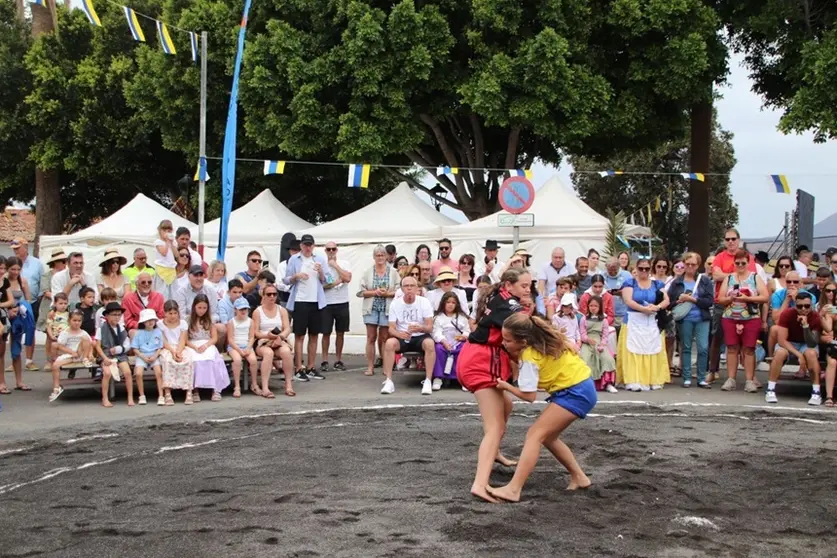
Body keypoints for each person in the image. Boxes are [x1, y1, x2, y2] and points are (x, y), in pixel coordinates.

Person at [485, 312, 595, 502]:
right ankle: (580, 477)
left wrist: (506, 385)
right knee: (548, 437)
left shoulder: (529, 356)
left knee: (534, 435)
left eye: (508, 340)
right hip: (581, 387)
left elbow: (529, 396)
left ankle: (513, 489)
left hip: (575, 392)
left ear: (524, 340)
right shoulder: (546, 341)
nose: (504, 343)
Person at [457, 268, 531, 503]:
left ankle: (495, 452)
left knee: (506, 406)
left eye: (530, 285)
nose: (528, 290)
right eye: (524, 286)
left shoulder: (499, 296)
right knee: (495, 426)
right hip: (481, 362)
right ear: (509, 285)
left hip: (482, 358)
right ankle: (480, 483)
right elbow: (528, 324)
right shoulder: (508, 304)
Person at [717, 248, 769, 392]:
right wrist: (730, 298)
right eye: (738, 263)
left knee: (749, 349)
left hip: (750, 318)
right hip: (730, 317)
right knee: (732, 348)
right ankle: (731, 379)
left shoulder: (755, 277)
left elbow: (765, 297)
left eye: (743, 263)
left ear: (748, 263)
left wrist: (748, 298)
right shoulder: (728, 278)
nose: (740, 266)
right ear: (734, 263)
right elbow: (720, 299)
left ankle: (749, 380)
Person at [709, 228, 756, 382]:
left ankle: (750, 376)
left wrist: (726, 275)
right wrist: (737, 275)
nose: (730, 242)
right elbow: (716, 275)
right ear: (724, 241)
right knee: (717, 337)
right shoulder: (719, 257)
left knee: (746, 342)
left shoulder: (748, 257)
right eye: (727, 239)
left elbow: (752, 278)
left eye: (733, 239)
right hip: (722, 303)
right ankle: (712, 371)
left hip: (744, 304)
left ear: (739, 240)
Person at [617, 258, 671, 391]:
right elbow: (628, 300)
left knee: (651, 348)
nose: (644, 271)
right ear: (636, 268)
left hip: (652, 321)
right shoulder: (630, 283)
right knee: (633, 349)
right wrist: (643, 309)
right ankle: (633, 378)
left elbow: (666, 300)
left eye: (647, 269)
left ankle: (653, 378)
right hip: (634, 320)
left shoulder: (657, 284)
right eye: (641, 268)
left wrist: (657, 307)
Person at [765, 291, 825, 405]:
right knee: (779, 353)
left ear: (811, 305)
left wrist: (806, 326)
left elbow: (813, 343)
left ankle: (816, 392)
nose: (803, 309)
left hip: (806, 344)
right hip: (790, 342)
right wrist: (799, 355)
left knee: (811, 354)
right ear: (795, 305)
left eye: (807, 306)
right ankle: (770, 389)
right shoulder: (787, 314)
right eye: (799, 306)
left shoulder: (815, 316)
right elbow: (782, 340)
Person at [380, 275, 436, 395]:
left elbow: (430, 327)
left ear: (417, 288)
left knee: (430, 344)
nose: (409, 288)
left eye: (412, 286)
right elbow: (391, 328)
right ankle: (389, 380)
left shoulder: (424, 302)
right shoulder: (395, 304)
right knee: (389, 343)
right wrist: (399, 334)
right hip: (402, 336)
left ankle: (428, 380)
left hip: (420, 335)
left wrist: (420, 327)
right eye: (406, 286)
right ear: (402, 289)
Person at [283, 234, 328, 380]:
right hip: (300, 300)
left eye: (310, 245)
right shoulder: (294, 259)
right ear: (301, 246)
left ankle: (311, 366)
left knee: (314, 335)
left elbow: (327, 280)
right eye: (305, 245)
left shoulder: (320, 259)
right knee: (299, 335)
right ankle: (298, 368)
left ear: (313, 246)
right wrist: (296, 276)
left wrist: (320, 271)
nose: (308, 248)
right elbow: (286, 279)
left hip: (316, 300)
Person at [667, 252, 714, 388]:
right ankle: (687, 377)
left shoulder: (704, 281)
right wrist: (678, 301)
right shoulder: (677, 282)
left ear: (698, 265)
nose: (690, 267)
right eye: (687, 264)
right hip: (684, 319)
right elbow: (669, 303)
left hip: (702, 318)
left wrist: (692, 299)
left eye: (693, 264)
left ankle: (701, 377)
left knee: (703, 348)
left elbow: (709, 301)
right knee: (685, 347)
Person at [358, 245, 400, 376]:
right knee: (371, 337)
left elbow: (399, 291)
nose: (380, 257)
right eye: (378, 255)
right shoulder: (367, 271)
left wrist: (388, 294)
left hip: (387, 308)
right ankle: (370, 367)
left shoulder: (393, 272)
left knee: (384, 338)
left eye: (382, 255)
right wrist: (375, 292)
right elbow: (360, 292)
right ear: (374, 257)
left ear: (386, 256)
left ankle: (385, 366)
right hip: (371, 308)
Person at [253, 283, 295, 397]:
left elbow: (287, 328)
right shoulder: (258, 311)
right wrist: (267, 335)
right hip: (263, 341)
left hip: (278, 339)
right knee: (268, 353)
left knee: (286, 352)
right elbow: (255, 332)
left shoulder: (282, 310)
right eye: (269, 294)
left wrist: (280, 337)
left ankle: (288, 384)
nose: (272, 297)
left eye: (274, 294)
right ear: (264, 295)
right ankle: (265, 387)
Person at [186, 294, 230, 402]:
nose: (202, 310)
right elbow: (185, 339)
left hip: (207, 343)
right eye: (199, 308)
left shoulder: (209, 319)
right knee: (195, 360)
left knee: (210, 359)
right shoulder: (187, 320)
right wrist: (194, 347)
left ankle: (215, 389)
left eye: (204, 308)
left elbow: (214, 338)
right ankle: (195, 389)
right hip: (193, 344)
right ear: (194, 307)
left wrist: (206, 345)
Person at [49, 310, 94, 402]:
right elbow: (60, 346)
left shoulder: (83, 333)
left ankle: (85, 359)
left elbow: (91, 344)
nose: (77, 323)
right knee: (55, 365)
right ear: (69, 321)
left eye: (79, 321)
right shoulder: (65, 333)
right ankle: (56, 388)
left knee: (85, 339)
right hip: (70, 355)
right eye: (74, 320)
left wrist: (90, 354)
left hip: (81, 355)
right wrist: (71, 352)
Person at [321, 241, 352, 372]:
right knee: (326, 332)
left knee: (341, 332)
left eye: (333, 249)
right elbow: (322, 285)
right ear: (325, 251)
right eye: (329, 249)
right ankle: (324, 360)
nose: (331, 252)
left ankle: (338, 359)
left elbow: (348, 278)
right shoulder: (321, 264)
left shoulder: (344, 263)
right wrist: (337, 282)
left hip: (342, 302)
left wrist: (335, 266)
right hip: (327, 302)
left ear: (337, 250)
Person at [94, 302, 132, 408]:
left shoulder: (121, 328)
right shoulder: (101, 328)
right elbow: (97, 346)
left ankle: (130, 397)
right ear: (106, 316)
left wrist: (120, 349)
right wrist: (105, 358)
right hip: (105, 354)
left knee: (127, 372)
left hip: (119, 354)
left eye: (119, 315)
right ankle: (105, 398)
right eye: (114, 314)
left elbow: (127, 344)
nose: (116, 317)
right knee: (107, 373)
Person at [431, 292, 470, 391]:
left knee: (464, 349)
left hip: (458, 343)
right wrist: (443, 341)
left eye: (453, 302)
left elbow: (467, 330)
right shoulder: (438, 318)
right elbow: (436, 332)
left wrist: (464, 336)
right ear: (443, 303)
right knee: (438, 349)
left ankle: (463, 379)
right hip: (444, 343)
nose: (450, 304)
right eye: (448, 302)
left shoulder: (462, 317)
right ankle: (438, 378)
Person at [37, 249, 68, 370]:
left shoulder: (66, 274)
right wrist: (58, 298)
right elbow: (46, 291)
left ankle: (61, 358)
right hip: (50, 305)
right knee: (50, 334)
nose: (64, 263)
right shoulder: (47, 275)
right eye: (62, 261)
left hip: (64, 305)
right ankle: (49, 360)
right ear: (55, 262)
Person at [158, 300, 193, 405]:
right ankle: (168, 392)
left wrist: (178, 352)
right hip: (168, 348)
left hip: (180, 347)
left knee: (188, 360)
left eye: (175, 313)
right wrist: (173, 352)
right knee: (167, 361)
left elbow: (183, 339)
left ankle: (188, 391)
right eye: (170, 313)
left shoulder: (183, 323)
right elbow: (163, 341)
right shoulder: (160, 324)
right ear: (165, 313)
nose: (173, 316)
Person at [580, 295, 617, 392]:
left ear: (600, 307)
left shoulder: (604, 320)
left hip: (599, 342)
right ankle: (586, 384)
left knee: (607, 358)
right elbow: (582, 333)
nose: (593, 308)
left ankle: (608, 384)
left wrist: (602, 345)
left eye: (595, 306)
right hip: (587, 343)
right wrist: (587, 339)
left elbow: (605, 335)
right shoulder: (584, 319)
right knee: (585, 357)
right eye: (591, 305)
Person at [131, 308, 165, 406]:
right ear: (143, 322)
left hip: (154, 354)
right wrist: (143, 356)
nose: (150, 322)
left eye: (152, 320)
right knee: (138, 373)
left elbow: (160, 347)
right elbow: (135, 348)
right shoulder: (138, 333)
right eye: (147, 320)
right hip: (142, 355)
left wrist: (155, 356)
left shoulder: (158, 332)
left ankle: (161, 395)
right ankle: (142, 395)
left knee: (158, 372)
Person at [227, 297, 257, 399]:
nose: (243, 311)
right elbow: (230, 339)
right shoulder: (232, 322)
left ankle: (254, 384)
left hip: (247, 345)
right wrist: (239, 350)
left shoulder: (250, 321)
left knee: (253, 360)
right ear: (235, 309)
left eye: (245, 309)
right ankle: (237, 386)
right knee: (237, 360)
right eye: (241, 309)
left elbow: (252, 336)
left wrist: (248, 348)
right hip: (234, 346)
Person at [603, 258, 631, 332]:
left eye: (614, 270)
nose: (612, 272)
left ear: (619, 267)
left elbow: (632, 292)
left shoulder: (627, 275)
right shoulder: (601, 275)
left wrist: (623, 293)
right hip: (606, 313)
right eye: (610, 270)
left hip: (622, 312)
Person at [152, 220, 178, 298]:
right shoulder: (158, 242)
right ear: (159, 230)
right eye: (164, 230)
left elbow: (176, 255)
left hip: (171, 269)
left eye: (169, 231)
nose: (166, 232)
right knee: (162, 293)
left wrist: (171, 243)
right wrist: (167, 242)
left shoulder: (173, 243)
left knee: (173, 293)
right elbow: (164, 253)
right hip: (161, 269)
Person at [45, 292, 70, 370]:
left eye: (65, 303)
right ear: (55, 304)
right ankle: (53, 363)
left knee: (66, 351)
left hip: (67, 336)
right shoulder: (53, 314)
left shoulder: (69, 314)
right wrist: (51, 335)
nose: (63, 305)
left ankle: (65, 363)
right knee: (54, 350)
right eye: (60, 303)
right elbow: (49, 326)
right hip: (56, 336)